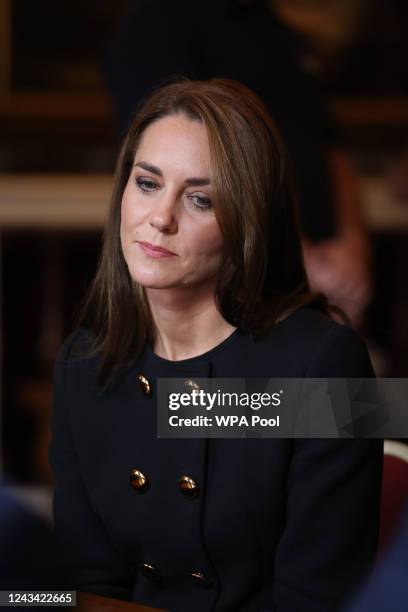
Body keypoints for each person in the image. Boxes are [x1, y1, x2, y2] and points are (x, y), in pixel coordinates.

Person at [49, 78, 383, 612]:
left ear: (247, 222)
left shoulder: (328, 363)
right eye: (147, 183)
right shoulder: (84, 363)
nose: (160, 218)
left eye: (201, 199)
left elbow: (320, 598)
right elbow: (83, 588)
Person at [103, 0, 372, 328]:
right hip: (246, 290)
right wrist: (303, 260)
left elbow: (329, 146)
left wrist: (352, 244)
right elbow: (171, 158)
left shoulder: (275, 28)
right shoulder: (157, 21)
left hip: (322, 283)